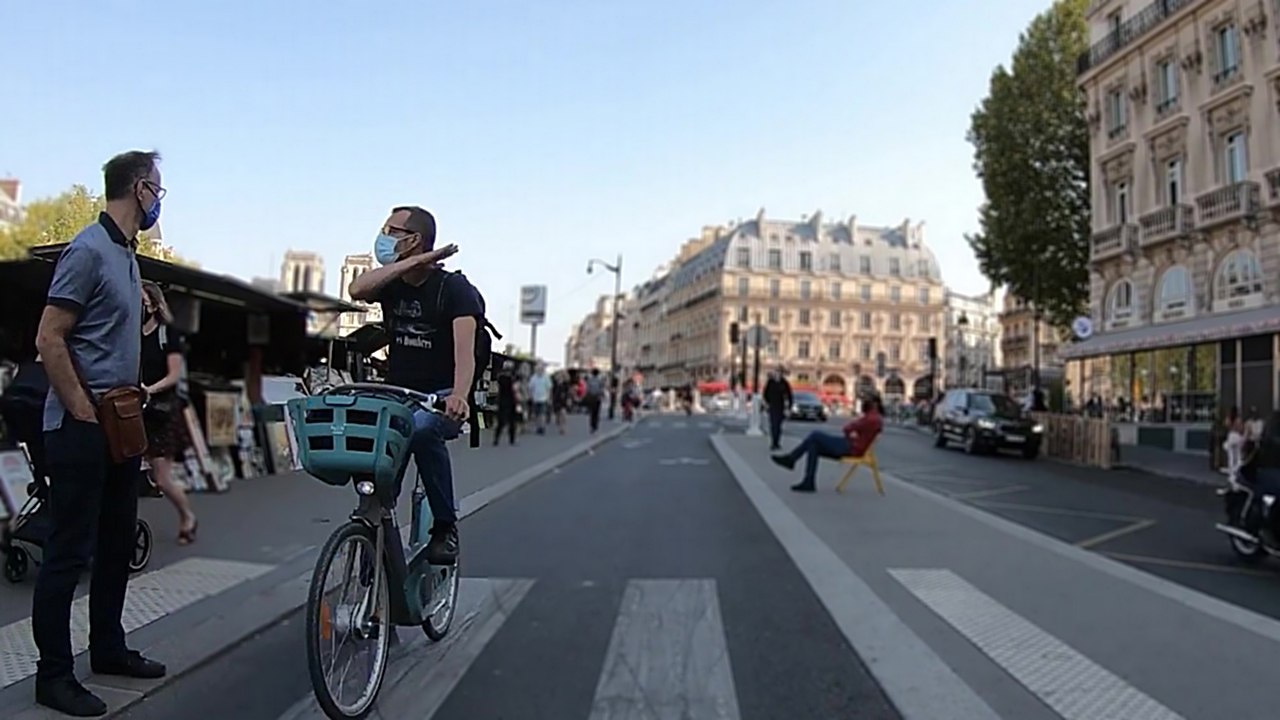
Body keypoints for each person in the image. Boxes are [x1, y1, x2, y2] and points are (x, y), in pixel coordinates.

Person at [32, 150, 167, 717]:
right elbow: (49, 337)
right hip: (81, 424)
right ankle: (53, 676)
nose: (160, 199)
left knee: (116, 543)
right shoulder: (88, 249)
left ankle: (108, 648)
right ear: (138, 189)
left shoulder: (127, 257)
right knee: (68, 552)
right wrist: (82, 412)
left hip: (119, 422)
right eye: (158, 188)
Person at [347, 205, 475, 567]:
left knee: (419, 431)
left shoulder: (455, 289)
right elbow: (357, 289)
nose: (383, 236)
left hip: (441, 396)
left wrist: (460, 397)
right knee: (378, 462)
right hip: (397, 395)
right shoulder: (392, 284)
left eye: (391, 230)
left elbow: (466, 355)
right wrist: (407, 264)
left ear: (413, 239)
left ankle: (445, 527)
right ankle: (374, 540)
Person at [139, 282, 198, 545]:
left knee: (162, 478)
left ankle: (187, 516)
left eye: (141, 300)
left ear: (153, 303)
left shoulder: (167, 333)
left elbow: (174, 375)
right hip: (133, 410)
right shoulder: (130, 333)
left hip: (160, 411)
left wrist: (149, 389)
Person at [771, 394, 884, 493]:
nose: (864, 404)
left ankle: (792, 460)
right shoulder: (875, 418)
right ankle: (807, 480)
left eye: (866, 401)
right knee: (813, 445)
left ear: (873, 404)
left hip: (850, 447)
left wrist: (852, 433)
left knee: (815, 435)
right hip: (853, 446)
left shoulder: (871, 418)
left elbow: (847, 428)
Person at [763, 369, 793, 451]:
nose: (778, 374)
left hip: (781, 407)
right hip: (772, 406)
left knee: (779, 426)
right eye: (776, 372)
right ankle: (773, 443)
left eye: (779, 373)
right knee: (773, 425)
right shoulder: (770, 382)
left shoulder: (784, 383)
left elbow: (789, 395)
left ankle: (777, 442)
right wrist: (767, 403)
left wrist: (789, 407)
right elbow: (765, 393)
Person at [492, 361, 518, 445]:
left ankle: (496, 439)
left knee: (501, 421)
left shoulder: (500, 377)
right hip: (511, 401)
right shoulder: (512, 378)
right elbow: (515, 389)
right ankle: (512, 439)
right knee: (511, 421)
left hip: (502, 401)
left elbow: (497, 389)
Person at [528, 364, 552, 434]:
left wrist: (549, 397)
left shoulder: (546, 378)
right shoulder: (533, 378)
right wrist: (531, 396)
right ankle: (538, 426)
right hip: (535, 399)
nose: (539, 371)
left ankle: (542, 427)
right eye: (538, 369)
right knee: (536, 414)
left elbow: (549, 388)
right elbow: (530, 388)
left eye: (541, 369)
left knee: (542, 414)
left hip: (544, 398)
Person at [584, 368, 605, 433]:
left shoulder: (589, 380)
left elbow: (587, 389)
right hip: (597, 397)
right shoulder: (600, 380)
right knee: (597, 412)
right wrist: (601, 395)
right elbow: (601, 389)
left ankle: (592, 425)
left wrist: (588, 395)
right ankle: (595, 426)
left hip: (591, 397)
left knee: (592, 412)